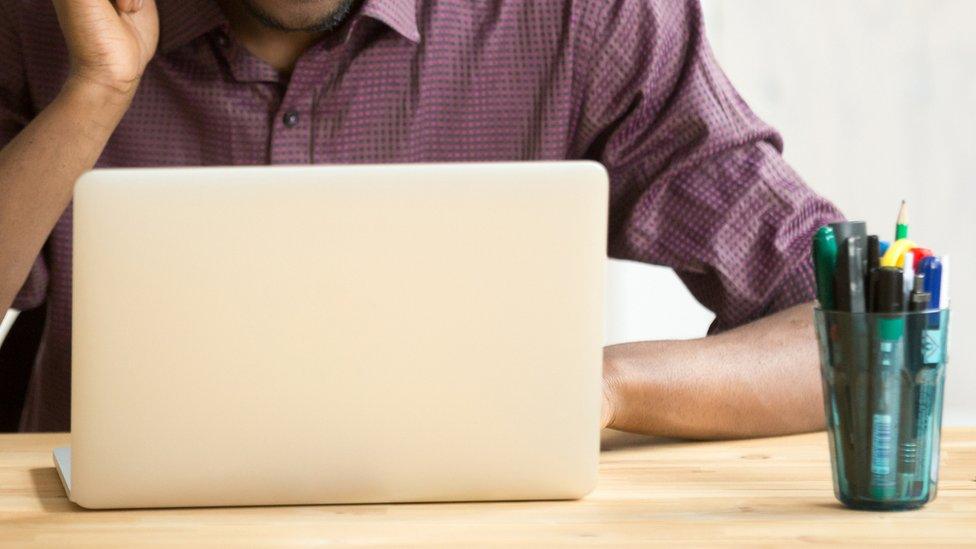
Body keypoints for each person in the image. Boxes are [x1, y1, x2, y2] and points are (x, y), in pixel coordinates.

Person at [0, 0, 842, 435]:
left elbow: (855, 328)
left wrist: (599, 387)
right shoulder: (41, 21)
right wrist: (94, 93)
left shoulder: (580, 19)